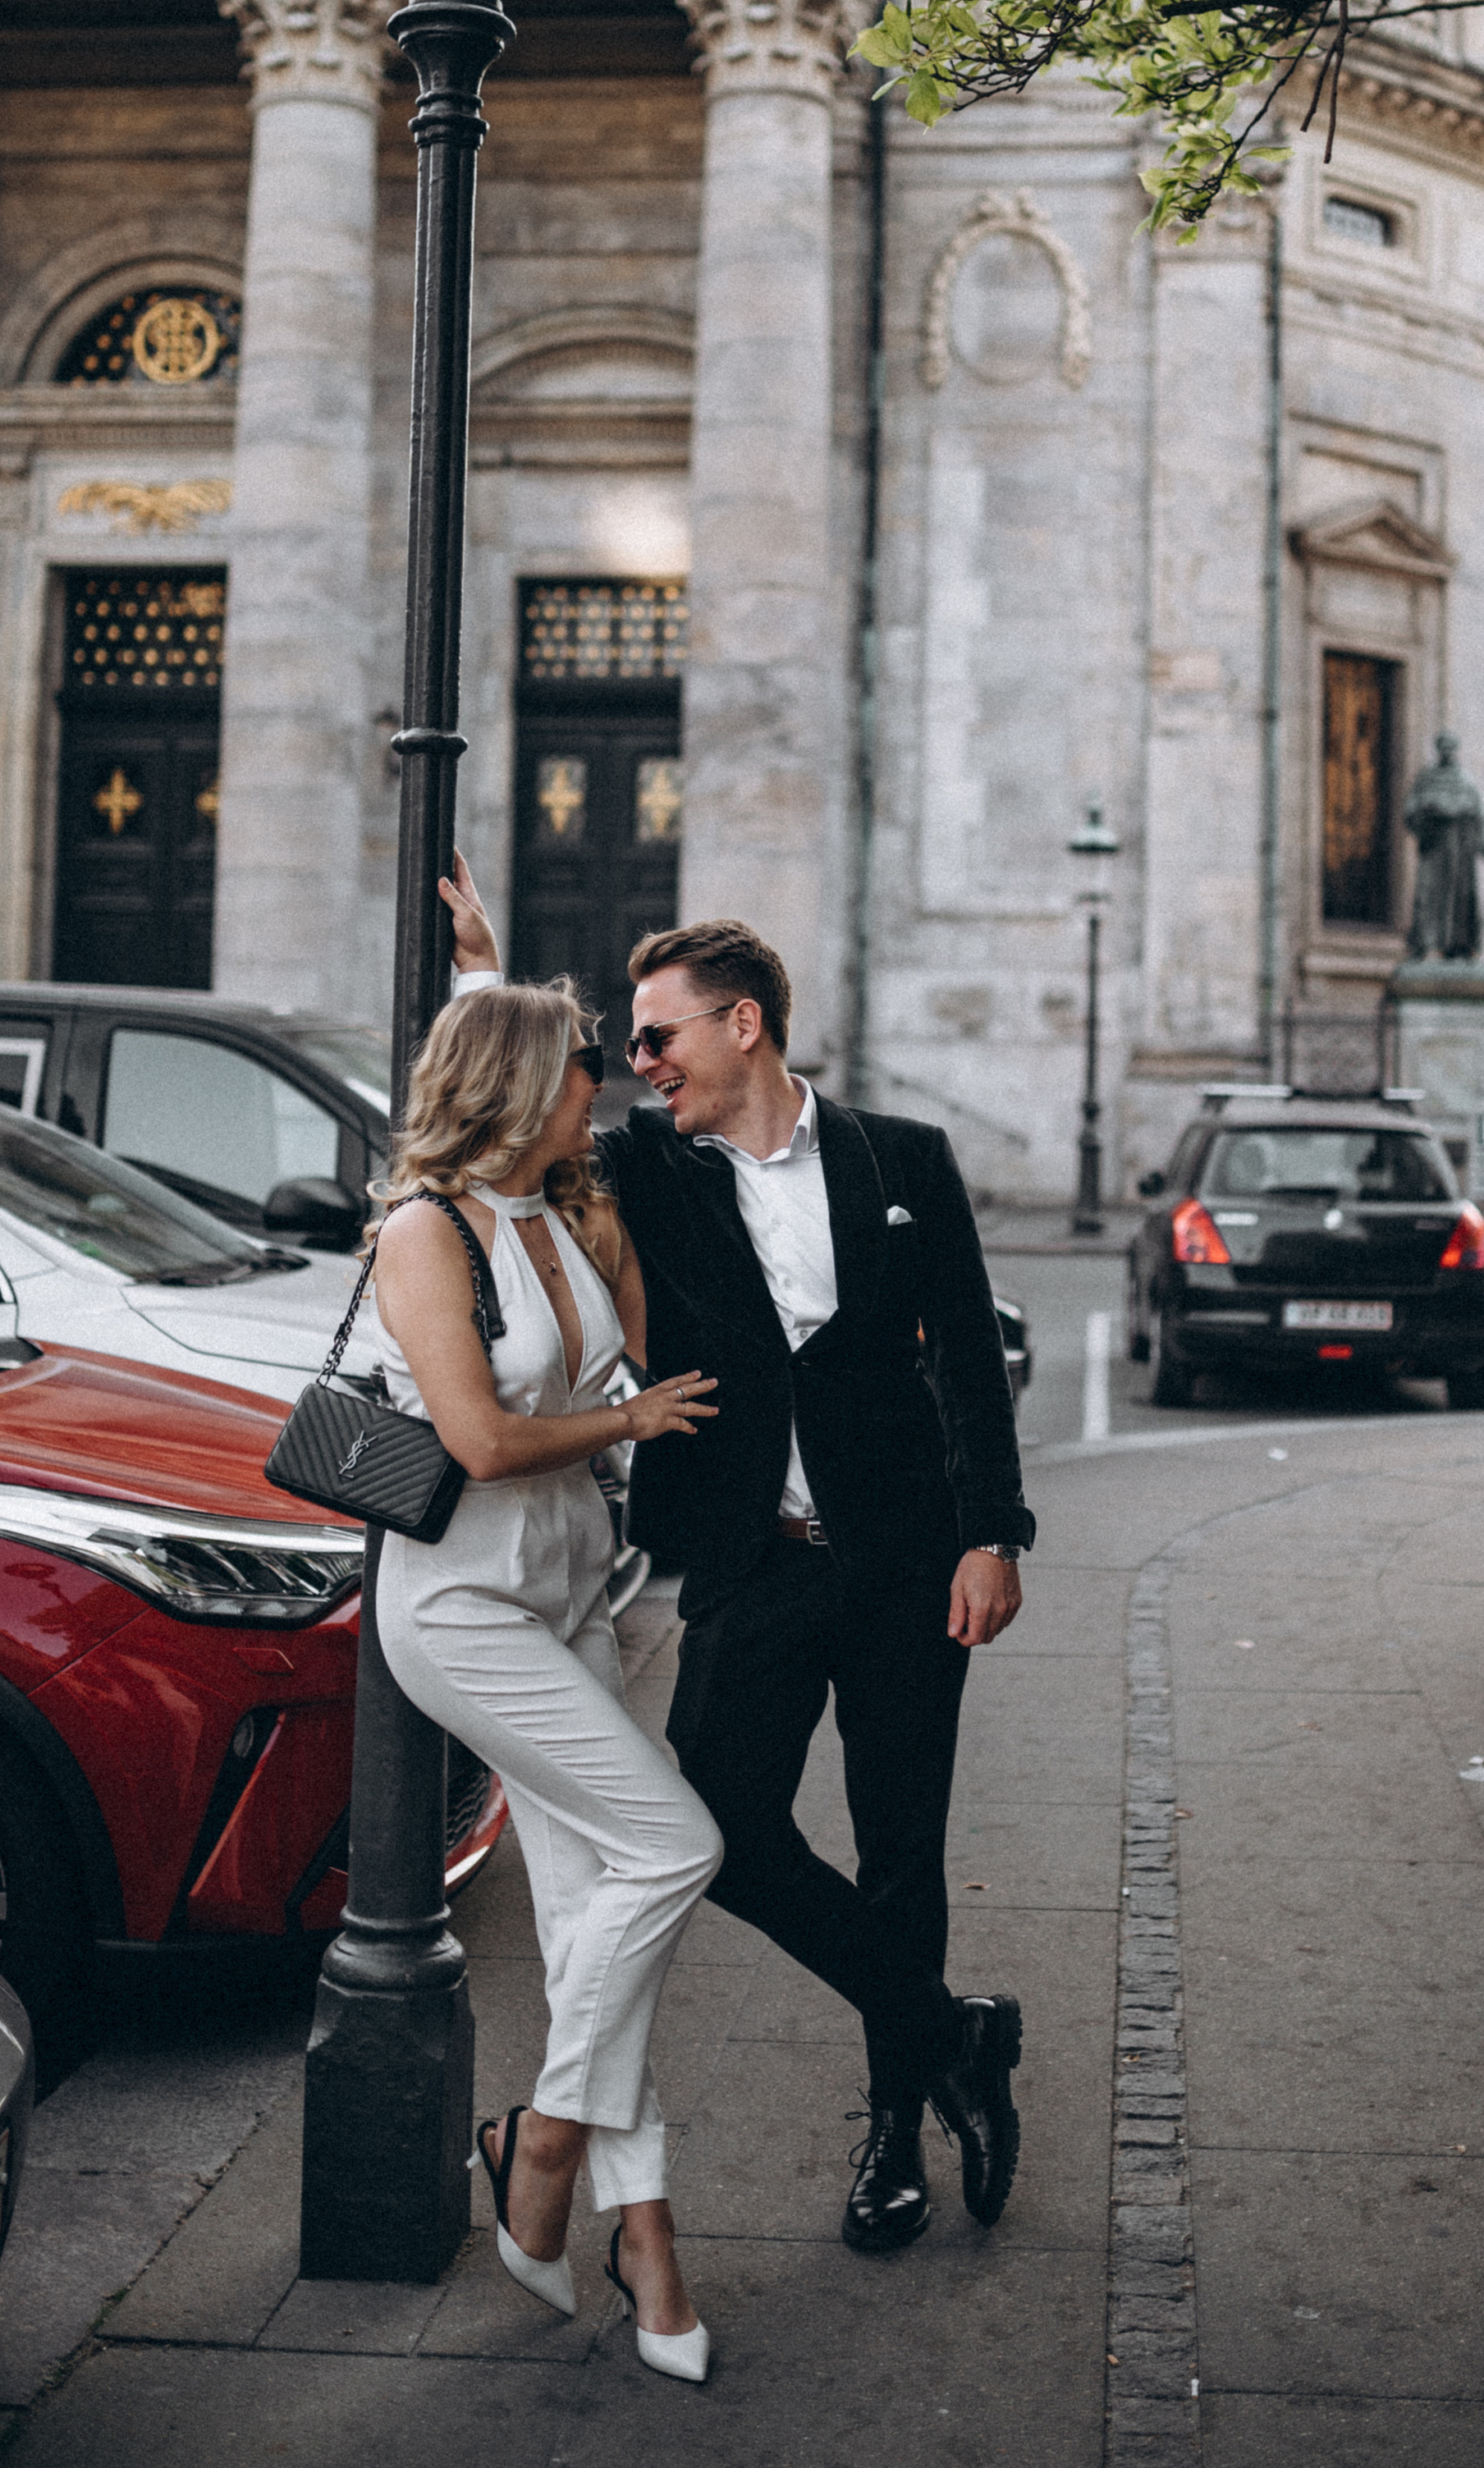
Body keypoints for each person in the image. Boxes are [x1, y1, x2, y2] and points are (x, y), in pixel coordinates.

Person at [444, 881, 1035, 2257]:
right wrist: (482, 981)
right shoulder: (646, 1169)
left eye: (659, 1038)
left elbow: (967, 1359)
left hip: (907, 1568)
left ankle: (896, 2132)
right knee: (719, 1831)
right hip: (751, 1564)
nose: (640, 1065)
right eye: (631, 1047)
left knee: (902, 1848)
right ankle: (951, 2034)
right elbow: (503, 1126)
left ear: (745, 1025)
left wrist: (993, 1535)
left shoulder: (902, 1159)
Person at [364, 971, 724, 2383]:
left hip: (572, 1591)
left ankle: (645, 2237)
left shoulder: (567, 1216)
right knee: (674, 1844)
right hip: (463, 1610)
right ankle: (550, 2142)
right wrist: (631, 1422)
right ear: (521, 1089)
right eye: (583, 1068)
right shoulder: (425, 1232)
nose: (607, 1083)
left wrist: (487, 961)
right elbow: (480, 1441)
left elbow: (624, 1338)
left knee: (592, 1930)